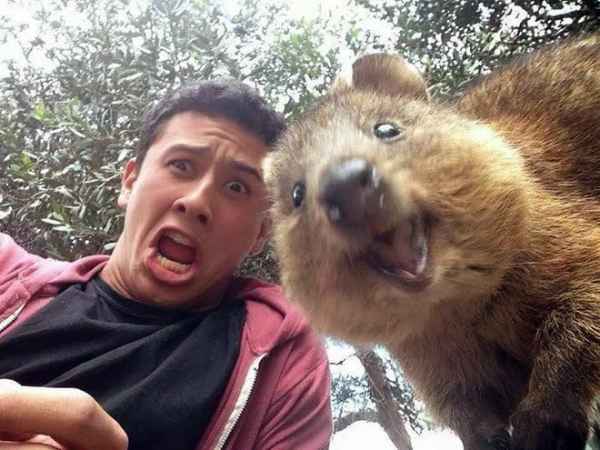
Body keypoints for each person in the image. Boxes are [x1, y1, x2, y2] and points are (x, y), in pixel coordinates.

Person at [0, 81, 333, 450]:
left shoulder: (284, 357)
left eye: (237, 187)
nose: (197, 201)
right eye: (181, 165)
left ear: (260, 232)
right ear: (129, 181)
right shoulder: (6, 270)